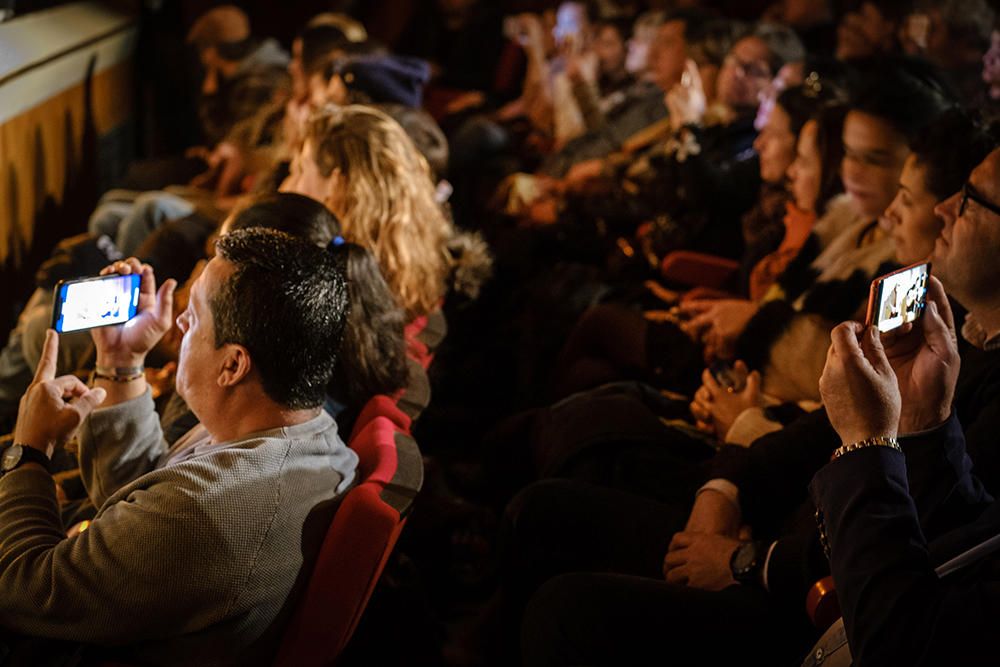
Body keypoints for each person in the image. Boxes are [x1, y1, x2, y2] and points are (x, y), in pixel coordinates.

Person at [0, 228, 357, 664]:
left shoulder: (204, 511)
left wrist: (29, 452)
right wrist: (121, 363)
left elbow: (22, 589)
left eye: (195, 314)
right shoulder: (296, 426)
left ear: (233, 364)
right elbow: (149, 494)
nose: (179, 322)